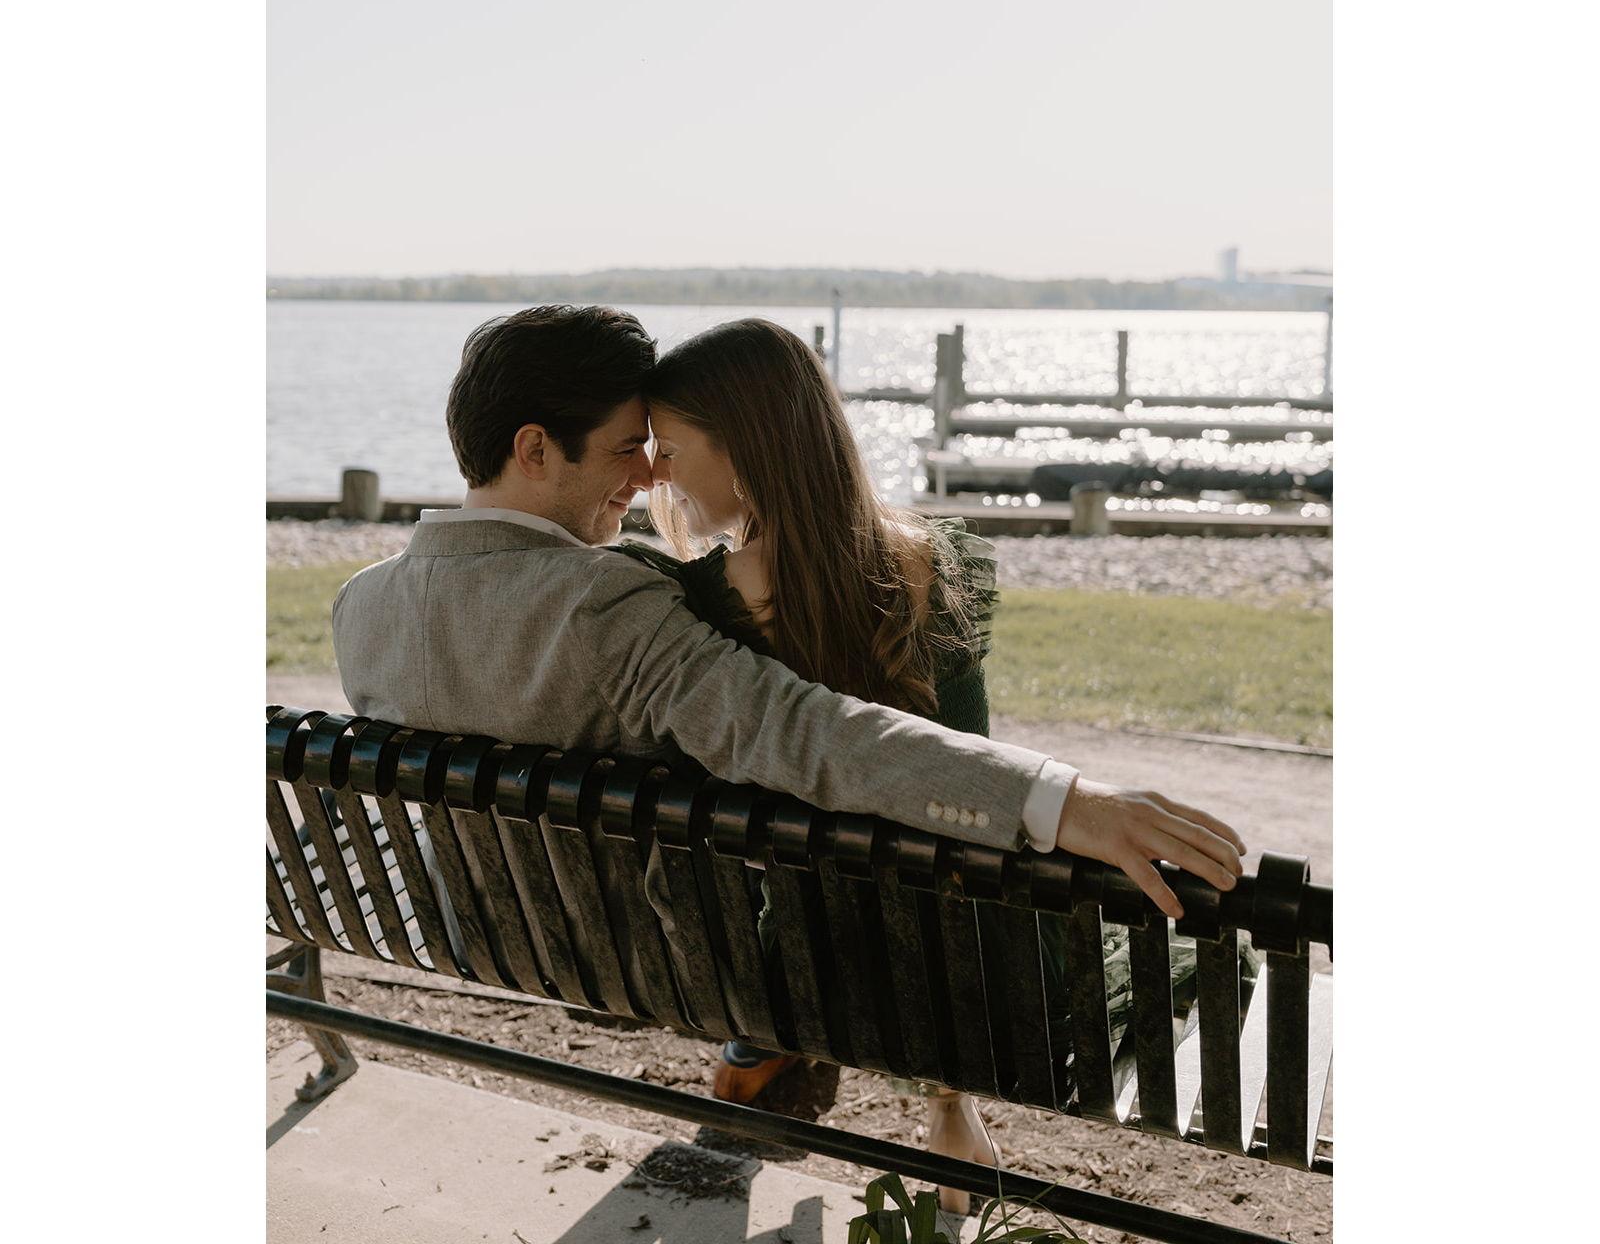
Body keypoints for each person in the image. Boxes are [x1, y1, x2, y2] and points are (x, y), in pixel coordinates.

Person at [331, 306, 1247, 1181]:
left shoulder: (361, 610)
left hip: (493, 941)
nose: (647, 475)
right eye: (624, 448)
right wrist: (1063, 801)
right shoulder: (604, 606)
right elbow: (810, 735)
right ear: (535, 446)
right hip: (689, 973)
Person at [623, 318, 1218, 1212]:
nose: (657, 472)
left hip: (798, 968)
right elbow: (970, 769)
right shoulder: (929, 568)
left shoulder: (692, 605)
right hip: (972, 976)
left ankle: (759, 1051)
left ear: (745, 447)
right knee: (960, 887)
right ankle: (950, 1107)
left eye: (669, 448)